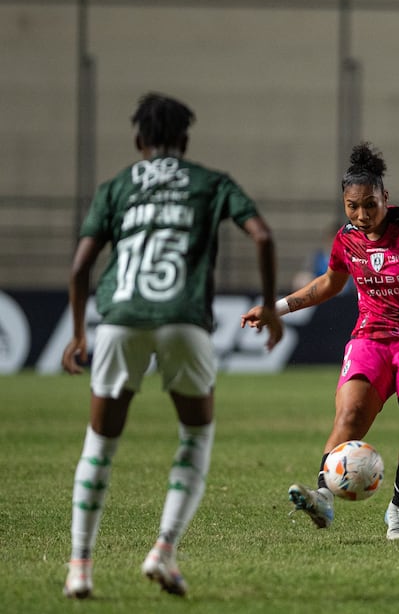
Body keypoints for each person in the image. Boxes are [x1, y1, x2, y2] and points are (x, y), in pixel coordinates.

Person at [61, 93, 284, 599]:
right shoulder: (211, 182)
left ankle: (79, 566)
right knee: (195, 435)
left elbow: (79, 269)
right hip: (186, 319)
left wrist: (79, 333)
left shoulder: (116, 186)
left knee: (100, 444)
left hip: (120, 320)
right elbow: (264, 237)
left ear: (139, 141)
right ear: (184, 141)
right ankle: (163, 549)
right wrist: (270, 307)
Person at [240, 142, 399, 540]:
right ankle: (322, 498)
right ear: (344, 204)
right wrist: (275, 308)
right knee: (349, 417)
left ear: (385, 197)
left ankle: (398, 511)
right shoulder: (346, 239)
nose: (362, 215)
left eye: (370, 204)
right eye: (353, 206)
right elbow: (328, 284)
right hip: (371, 338)